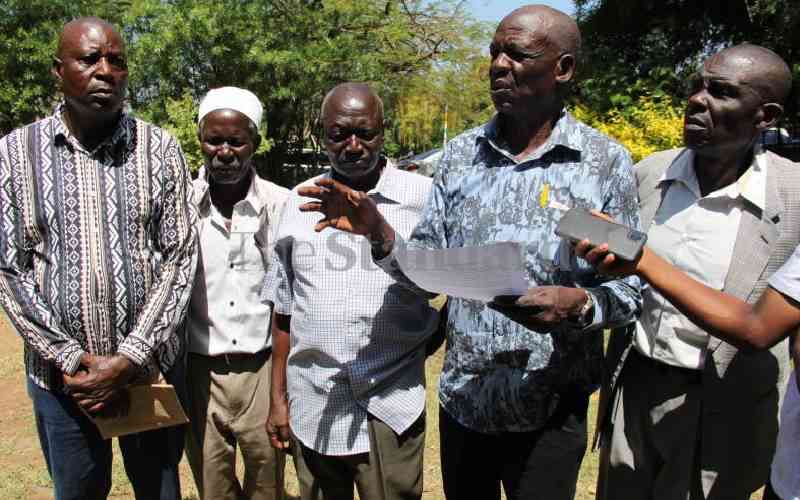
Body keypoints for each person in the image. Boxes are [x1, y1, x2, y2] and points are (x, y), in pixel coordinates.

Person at [295, 6, 641, 500]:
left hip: (550, 409)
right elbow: (425, 271)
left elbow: (633, 289)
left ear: (562, 69)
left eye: (517, 54)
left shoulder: (605, 162)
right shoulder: (460, 155)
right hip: (465, 404)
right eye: (495, 52)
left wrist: (580, 305)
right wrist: (380, 234)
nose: (499, 65)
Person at [577, 44, 799, 500]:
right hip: (635, 386)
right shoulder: (649, 174)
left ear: (766, 116)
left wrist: (644, 262)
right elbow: (621, 280)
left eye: (721, 92)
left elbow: (768, 326)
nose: (697, 100)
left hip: (726, 404)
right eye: (697, 86)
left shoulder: (792, 196)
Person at [0, 17, 197, 500]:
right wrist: (72, 359)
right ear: (59, 70)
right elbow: (9, 267)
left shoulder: (160, 149)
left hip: (149, 372)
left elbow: (179, 256)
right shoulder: (15, 154)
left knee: (159, 491)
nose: (105, 71)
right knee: (78, 491)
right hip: (64, 383)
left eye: (116, 60)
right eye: (89, 59)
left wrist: (130, 358)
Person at [262, 82, 437, 500]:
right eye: (339, 134)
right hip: (314, 400)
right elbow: (284, 311)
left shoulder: (424, 197)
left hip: (389, 402)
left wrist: (379, 232)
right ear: (322, 134)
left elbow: (445, 287)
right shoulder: (297, 203)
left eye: (365, 133)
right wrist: (278, 399)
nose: (353, 146)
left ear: (383, 131)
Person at [184, 87, 289, 500]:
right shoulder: (181, 207)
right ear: (200, 140)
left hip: (261, 369)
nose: (224, 152)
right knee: (212, 483)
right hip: (199, 371)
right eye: (214, 141)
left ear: (255, 143)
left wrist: (281, 390)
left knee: (267, 482)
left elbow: (289, 295)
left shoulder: (280, 205)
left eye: (236, 142)